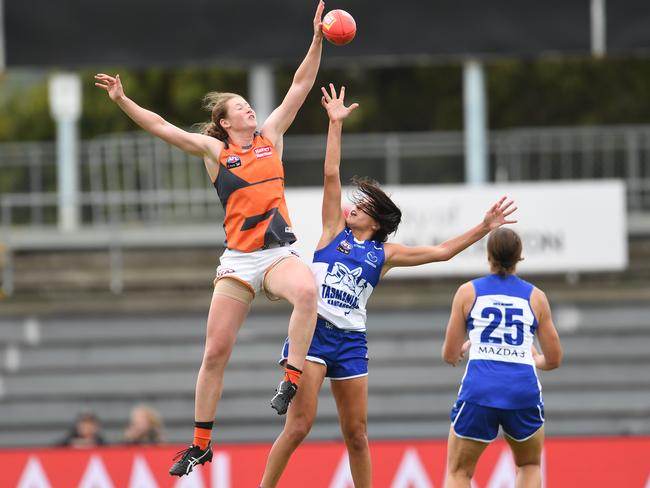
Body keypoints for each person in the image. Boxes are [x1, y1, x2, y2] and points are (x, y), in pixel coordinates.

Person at [95, 1, 326, 477]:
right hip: (240, 261)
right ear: (225, 122)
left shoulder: (271, 136)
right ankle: (201, 444)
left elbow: (300, 85)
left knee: (307, 290)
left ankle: (290, 379)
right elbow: (162, 127)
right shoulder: (216, 151)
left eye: (248, 103)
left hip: (278, 254)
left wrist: (317, 39)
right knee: (215, 351)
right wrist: (122, 100)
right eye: (240, 106)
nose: (250, 108)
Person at [259, 84, 518, 488]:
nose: (353, 207)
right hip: (312, 334)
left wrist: (484, 227)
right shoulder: (331, 233)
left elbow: (444, 251)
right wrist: (335, 124)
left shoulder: (386, 254)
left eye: (362, 207)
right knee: (298, 428)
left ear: (376, 222)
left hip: (350, 341)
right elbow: (330, 174)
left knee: (358, 436)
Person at [441, 227, 563, 488]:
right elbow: (553, 359)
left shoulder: (467, 292)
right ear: (520, 257)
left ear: (488, 256)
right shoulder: (536, 297)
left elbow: (449, 354)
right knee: (529, 465)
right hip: (522, 391)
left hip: (479, 392)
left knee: (459, 472)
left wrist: (468, 345)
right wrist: (533, 357)